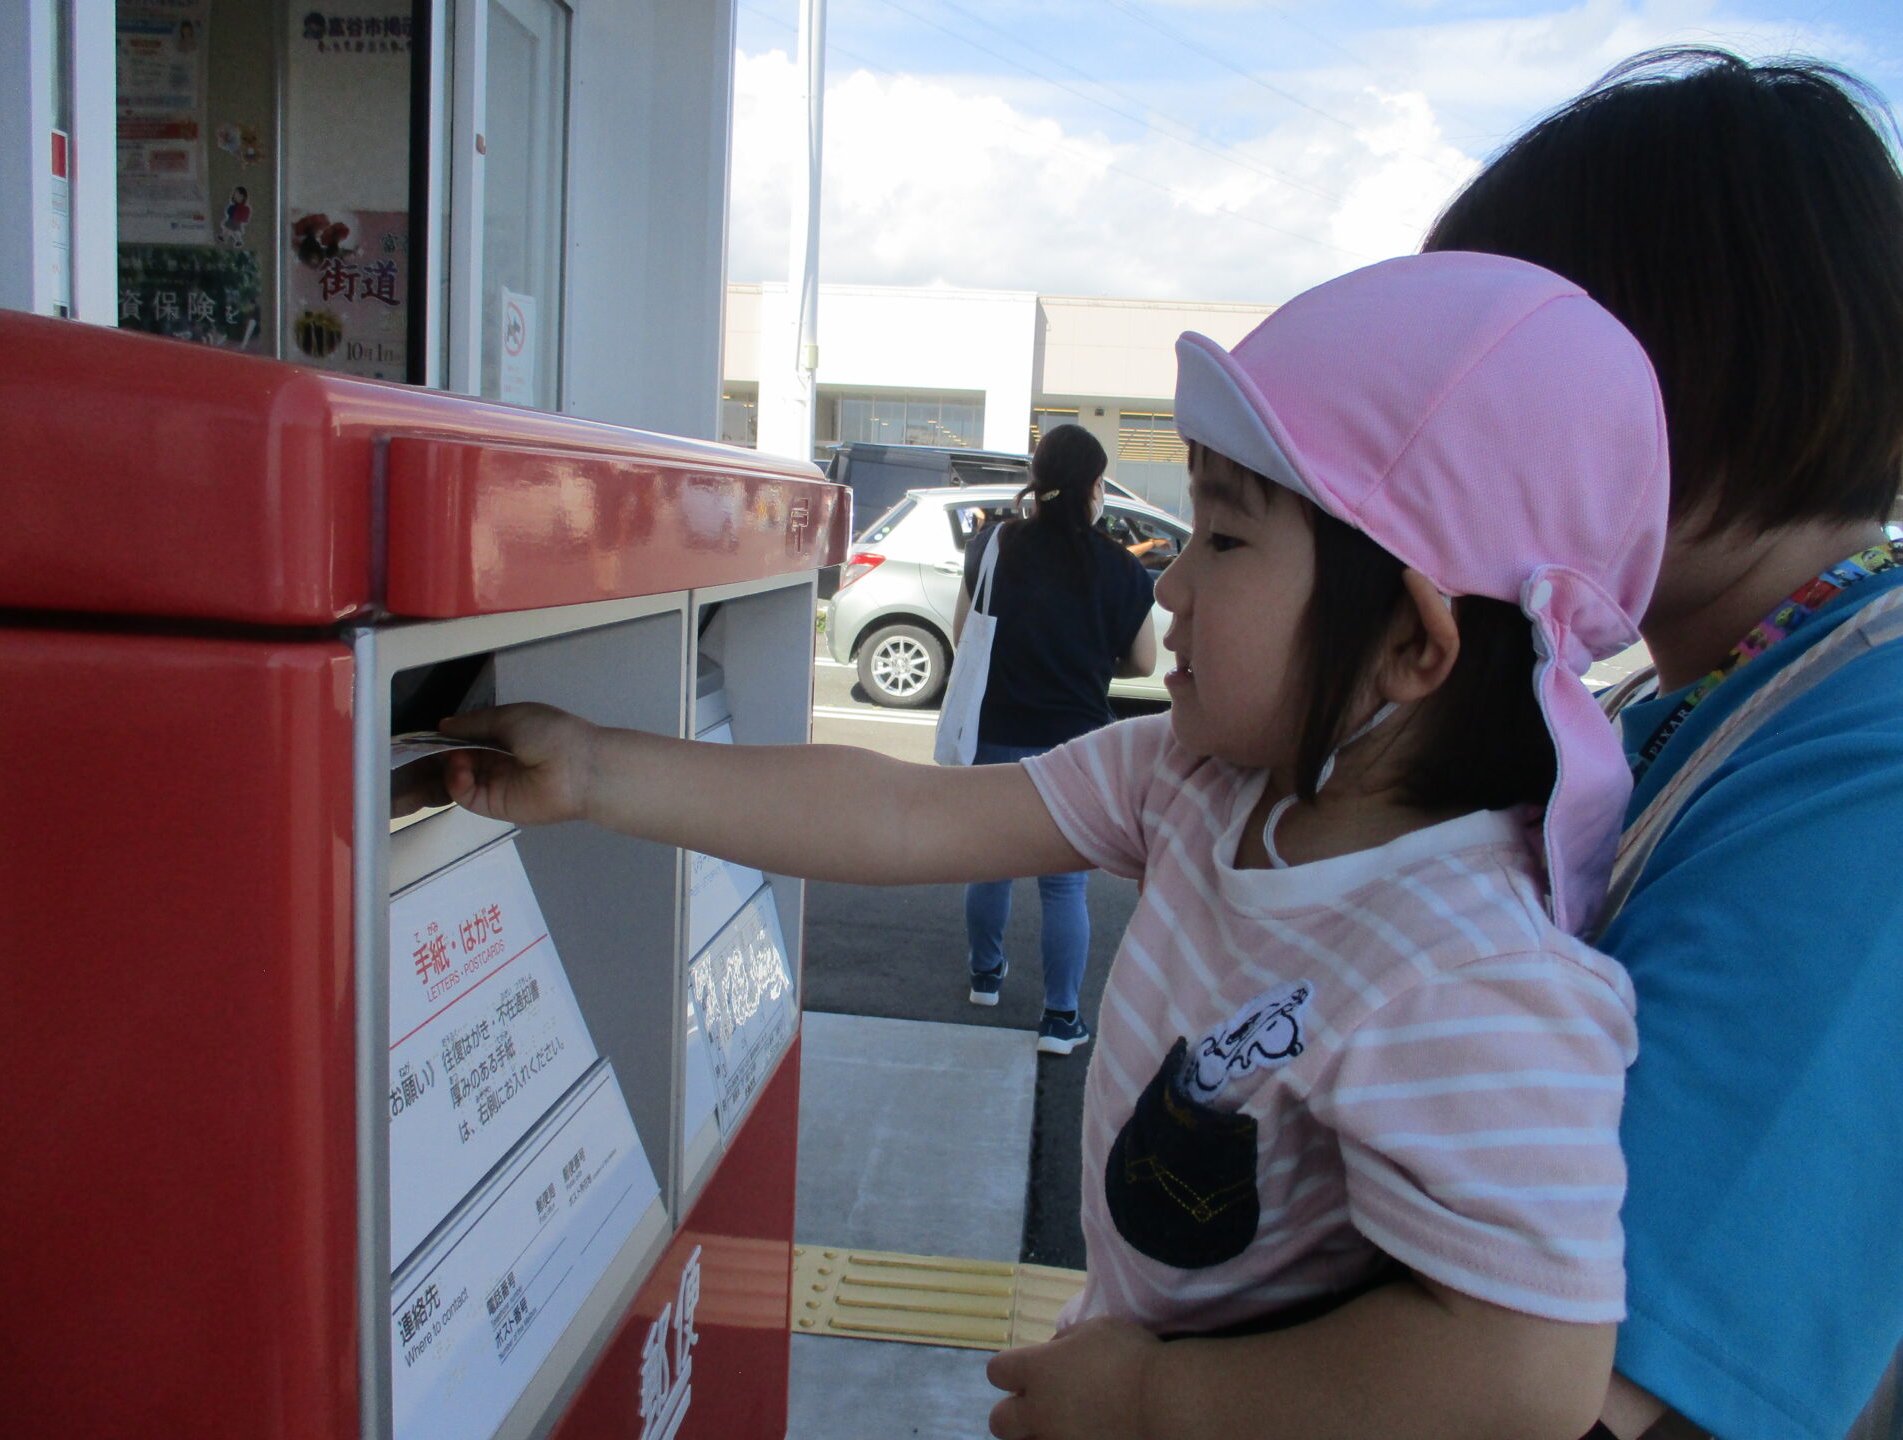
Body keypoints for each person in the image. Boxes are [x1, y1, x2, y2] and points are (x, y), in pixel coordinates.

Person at [431, 249, 1670, 1439]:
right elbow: (907, 811)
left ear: (1413, 643)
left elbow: (1527, 1371)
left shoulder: (1472, 978)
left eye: (1226, 541)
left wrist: (1153, 1409)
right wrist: (598, 770)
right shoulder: (1199, 784)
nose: (1172, 586)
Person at [1419, 49, 1903, 1440]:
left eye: (1488, 380)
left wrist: (1164, 1400)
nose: (1441, 446)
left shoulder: (1870, 770)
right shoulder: (1689, 698)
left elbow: (1574, 1397)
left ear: (1676, 375)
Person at [952, 423, 1157, 1054]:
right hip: (1075, 744)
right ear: (1097, 487)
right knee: (1065, 886)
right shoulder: (1122, 569)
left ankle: (985, 978)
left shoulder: (993, 545)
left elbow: (967, 635)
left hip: (995, 731)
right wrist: (1092, 664)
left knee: (988, 869)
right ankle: (1059, 1019)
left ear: (1036, 479)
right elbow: (1144, 664)